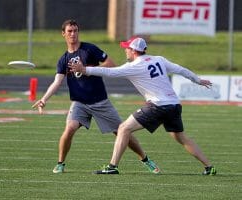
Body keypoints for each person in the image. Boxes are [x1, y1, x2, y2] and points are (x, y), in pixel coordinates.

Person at [69, 36, 217, 175]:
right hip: (174, 104)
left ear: (133, 51)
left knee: (123, 128)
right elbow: (180, 69)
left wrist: (85, 70)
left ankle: (112, 167)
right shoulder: (158, 59)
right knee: (181, 138)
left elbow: (109, 72)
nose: (125, 50)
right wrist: (198, 80)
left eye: (127, 48)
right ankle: (208, 167)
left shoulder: (134, 66)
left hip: (158, 105)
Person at [32, 20, 160, 174]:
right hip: (79, 103)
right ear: (63, 34)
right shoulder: (64, 59)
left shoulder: (89, 49)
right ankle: (60, 163)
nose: (73, 34)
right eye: (70, 31)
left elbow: (111, 63)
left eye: (75, 30)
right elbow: (57, 81)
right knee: (69, 129)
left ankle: (146, 159)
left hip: (100, 102)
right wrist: (44, 99)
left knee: (121, 131)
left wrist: (87, 69)